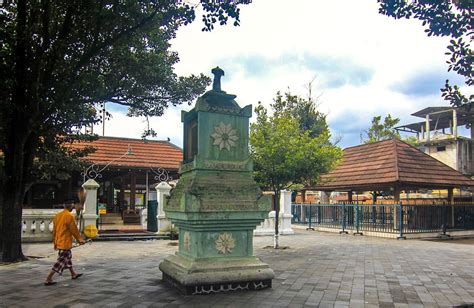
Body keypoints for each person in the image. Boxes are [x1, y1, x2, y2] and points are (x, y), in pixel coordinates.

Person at [44, 202, 86, 285]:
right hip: (65, 242)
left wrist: (55, 242)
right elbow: (74, 230)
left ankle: (73, 274)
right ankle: (48, 278)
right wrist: (80, 240)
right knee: (61, 261)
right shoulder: (69, 216)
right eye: (72, 207)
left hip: (59, 241)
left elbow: (54, 231)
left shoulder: (58, 216)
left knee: (68, 258)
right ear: (70, 207)